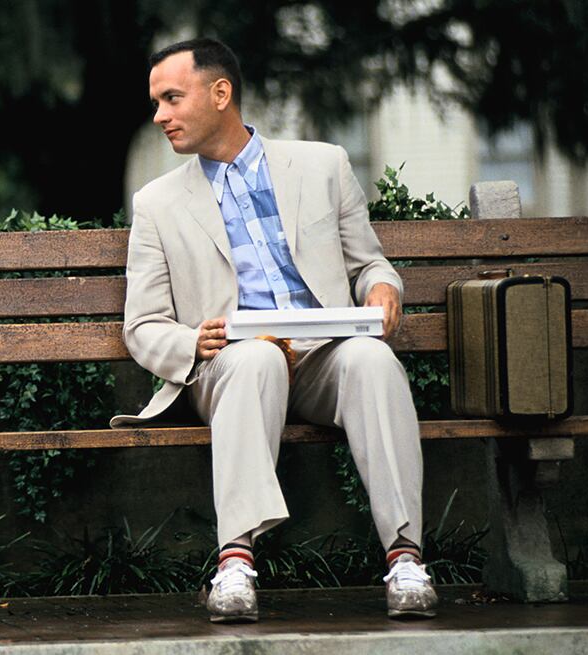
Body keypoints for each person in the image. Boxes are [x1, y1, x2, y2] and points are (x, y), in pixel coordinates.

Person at [111, 38, 437, 622]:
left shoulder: (323, 165)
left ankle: (406, 556)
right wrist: (193, 342)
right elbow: (142, 325)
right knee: (255, 358)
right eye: (156, 102)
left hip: (323, 356)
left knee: (372, 360)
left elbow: (368, 264)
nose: (159, 115)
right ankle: (235, 562)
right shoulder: (157, 203)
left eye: (171, 98)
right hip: (228, 365)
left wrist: (384, 289)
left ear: (220, 93)